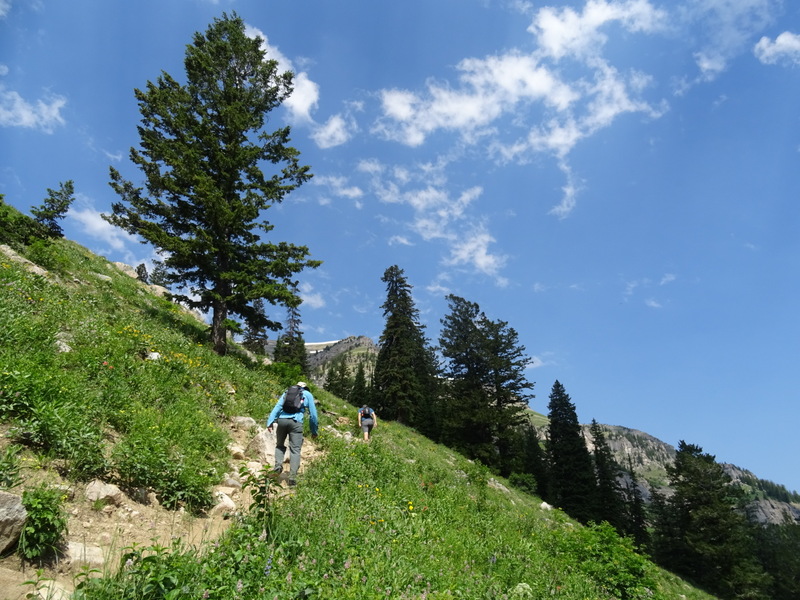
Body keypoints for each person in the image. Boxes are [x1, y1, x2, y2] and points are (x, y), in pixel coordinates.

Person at [266, 381, 318, 486]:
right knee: (295, 450)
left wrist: (270, 422)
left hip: (281, 421)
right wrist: (314, 431)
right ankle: (292, 478)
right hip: (296, 422)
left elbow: (278, 407)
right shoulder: (307, 394)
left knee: (279, 445)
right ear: (305, 387)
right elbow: (313, 415)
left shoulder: (287, 392)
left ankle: (278, 466)